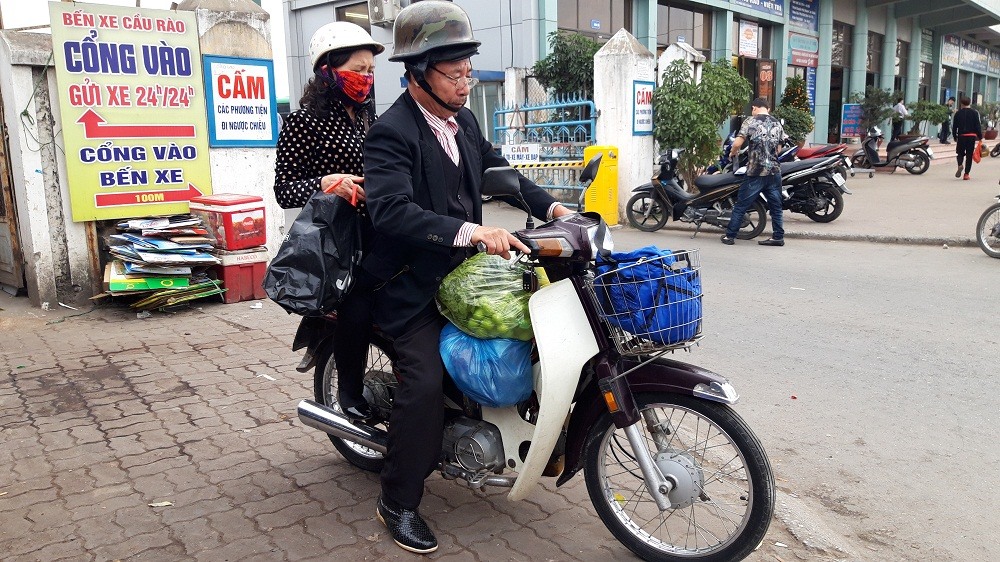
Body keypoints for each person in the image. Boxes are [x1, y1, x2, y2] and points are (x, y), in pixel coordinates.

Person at [360, 1, 571, 554]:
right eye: (453, 74)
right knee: (425, 383)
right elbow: (389, 210)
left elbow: (499, 171)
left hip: (466, 280)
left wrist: (553, 210)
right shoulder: (391, 133)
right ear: (417, 75)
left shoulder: (465, 121)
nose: (464, 83)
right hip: (409, 286)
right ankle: (398, 501)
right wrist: (471, 233)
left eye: (467, 72)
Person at [272, 22, 384, 421]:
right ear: (327, 71)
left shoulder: (371, 120)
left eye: (371, 71)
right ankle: (351, 395)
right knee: (358, 301)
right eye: (358, 69)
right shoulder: (305, 122)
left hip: (378, 228)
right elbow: (283, 190)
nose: (366, 78)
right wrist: (326, 184)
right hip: (337, 242)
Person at [722, 97, 785, 247]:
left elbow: (737, 143)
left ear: (754, 108)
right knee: (776, 207)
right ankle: (778, 237)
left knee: (741, 205)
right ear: (767, 108)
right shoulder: (777, 123)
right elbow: (780, 147)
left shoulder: (751, 121)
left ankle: (730, 236)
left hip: (755, 171)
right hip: (774, 171)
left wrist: (733, 152)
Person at [951, 96, 982, 181]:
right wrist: (980, 136)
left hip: (961, 136)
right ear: (970, 103)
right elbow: (977, 126)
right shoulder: (974, 113)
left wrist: (954, 136)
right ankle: (966, 174)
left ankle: (960, 164)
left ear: (961, 103)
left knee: (960, 153)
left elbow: (954, 127)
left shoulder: (958, 113)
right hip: (971, 137)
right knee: (969, 155)